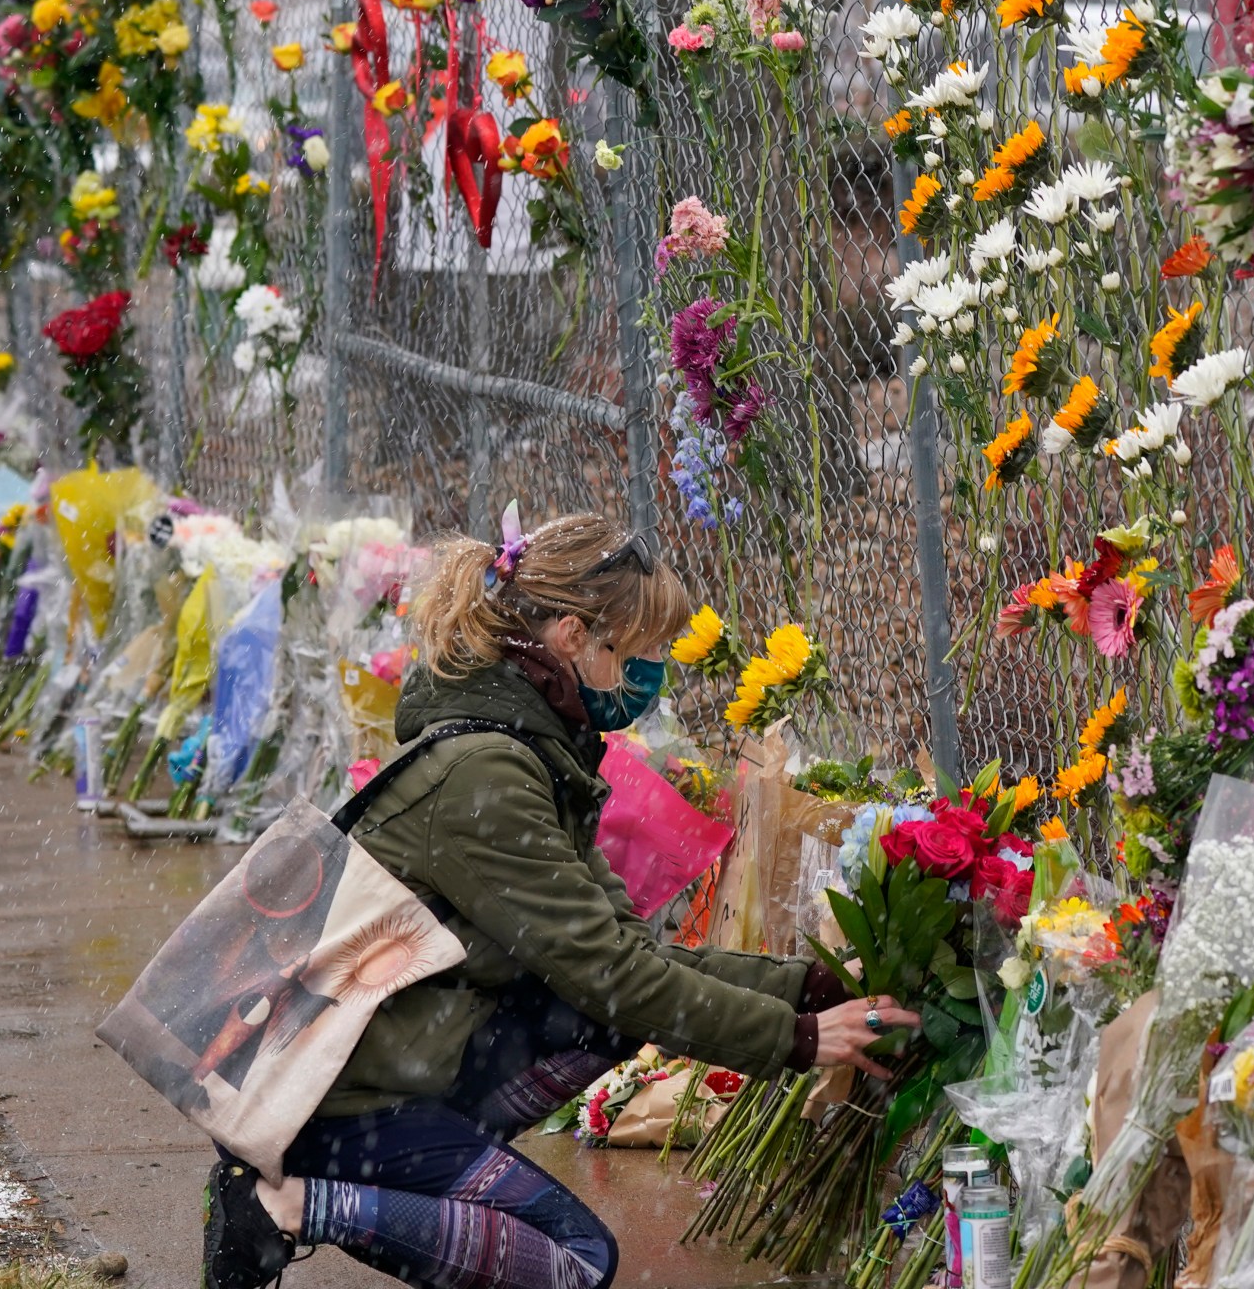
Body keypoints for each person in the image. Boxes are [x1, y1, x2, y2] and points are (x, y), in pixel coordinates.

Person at [203, 511, 914, 1289]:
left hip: (393, 1058)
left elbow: (628, 955)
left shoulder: (528, 745)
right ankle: (288, 1206)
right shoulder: (487, 773)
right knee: (577, 1263)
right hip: (339, 1100)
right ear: (573, 637)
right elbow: (614, 975)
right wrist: (799, 1039)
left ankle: (439, 1166)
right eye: (637, 654)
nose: (646, 677)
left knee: (600, 1012)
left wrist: (809, 989)